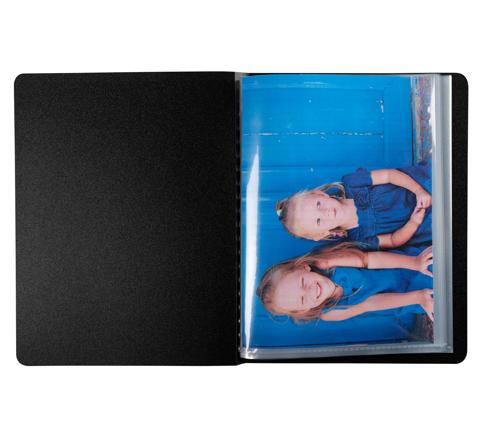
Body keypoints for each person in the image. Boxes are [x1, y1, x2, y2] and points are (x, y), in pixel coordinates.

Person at [256, 243, 433, 322]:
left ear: (304, 267)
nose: (310, 291)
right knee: (436, 298)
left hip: (402, 266)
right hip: (402, 298)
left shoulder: (326, 262)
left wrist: (414, 263)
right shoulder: (330, 313)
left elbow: (370, 260)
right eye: (302, 300)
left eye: (302, 283)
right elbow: (370, 304)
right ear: (303, 310)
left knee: (435, 265)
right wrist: (417, 298)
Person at [275, 162, 432, 250]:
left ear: (320, 194)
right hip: (423, 224)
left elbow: (389, 175)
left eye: (318, 204)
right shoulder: (359, 239)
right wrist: (414, 222)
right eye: (318, 221)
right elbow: (392, 240)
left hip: (418, 184)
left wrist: (418, 190)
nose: (325, 212)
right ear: (321, 234)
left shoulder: (352, 183)